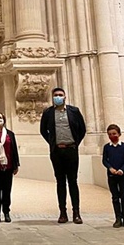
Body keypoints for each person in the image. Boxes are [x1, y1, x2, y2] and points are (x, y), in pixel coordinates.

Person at [40, 87, 86, 224]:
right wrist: (53, 143)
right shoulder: (48, 113)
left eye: (60, 95)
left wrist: (75, 143)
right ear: (52, 97)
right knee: (60, 182)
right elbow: (43, 130)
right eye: (55, 95)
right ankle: (62, 213)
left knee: (73, 181)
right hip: (57, 152)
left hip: (71, 149)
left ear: (65, 97)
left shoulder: (74, 111)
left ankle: (76, 213)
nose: (58, 97)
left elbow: (82, 129)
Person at [102, 124, 124, 229]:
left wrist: (121, 170)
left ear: (119, 134)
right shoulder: (107, 147)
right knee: (115, 197)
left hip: (122, 175)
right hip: (111, 175)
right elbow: (105, 160)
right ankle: (118, 219)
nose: (112, 136)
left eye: (114, 133)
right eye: (110, 134)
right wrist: (110, 168)